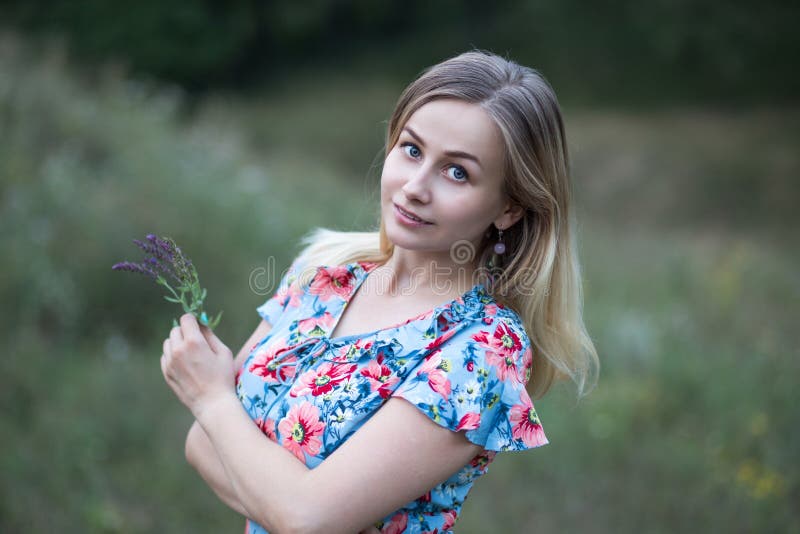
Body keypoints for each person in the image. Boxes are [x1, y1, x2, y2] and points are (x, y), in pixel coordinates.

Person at [160, 49, 599, 533]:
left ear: (509, 208)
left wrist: (213, 400)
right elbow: (201, 446)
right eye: (412, 149)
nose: (414, 187)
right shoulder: (324, 272)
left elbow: (304, 518)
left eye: (458, 172)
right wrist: (292, 500)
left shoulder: (482, 349)